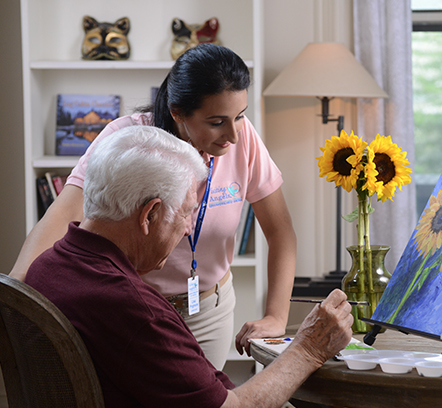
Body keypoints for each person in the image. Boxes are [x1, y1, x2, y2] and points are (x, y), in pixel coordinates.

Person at [10, 43, 297, 369]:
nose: (232, 134)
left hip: (206, 309)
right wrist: (16, 302)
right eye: (217, 121)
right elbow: (62, 215)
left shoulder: (242, 140)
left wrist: (276, 315)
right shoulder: (126, 139)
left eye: (240, 117)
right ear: (177, 112)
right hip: (132, 309)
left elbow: (281, 233)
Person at [24, 126, 353, 408]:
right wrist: (309, 349)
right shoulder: (139, 311)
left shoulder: (45, 268)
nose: (187, 229)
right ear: (149, 215)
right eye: (184, 213)